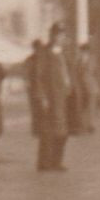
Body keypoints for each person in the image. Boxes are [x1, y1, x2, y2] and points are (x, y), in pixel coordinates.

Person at [24, 27, 72, 172]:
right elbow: (38, 77)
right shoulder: (43, 53)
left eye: (63, 35)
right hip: (50, 98)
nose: (61, 38)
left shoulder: (64, 53)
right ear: (52, 36)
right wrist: (42, 97)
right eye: (58, 35)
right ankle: (44, 163)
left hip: (65, 98)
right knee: (47, 131)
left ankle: (57, 162)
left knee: (62, 131)